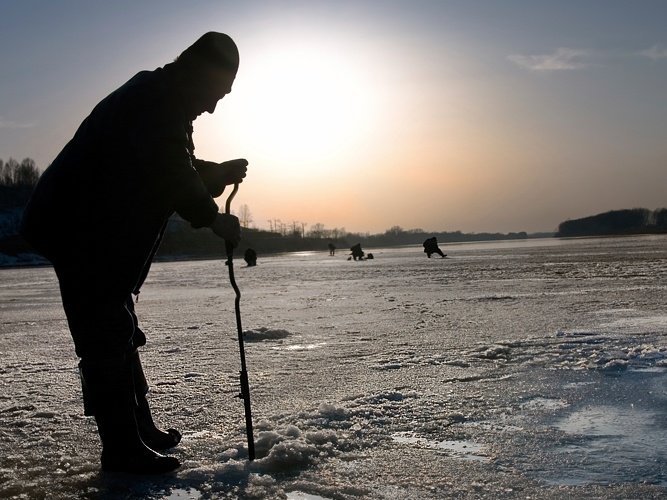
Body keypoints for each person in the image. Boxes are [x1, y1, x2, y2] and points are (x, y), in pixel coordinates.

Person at [20, 32, 247, 474]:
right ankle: (121, 448)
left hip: (93, 234)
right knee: (105, 336)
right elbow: (169, 171)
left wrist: (212, 172)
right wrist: (211, 216)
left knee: (119, 328)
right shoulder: (156, 100)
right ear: (200, 72)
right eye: (217, 93)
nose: (215, 106)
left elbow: (172, 162)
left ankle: (137, 428)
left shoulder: (166, 99)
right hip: (77, 231)